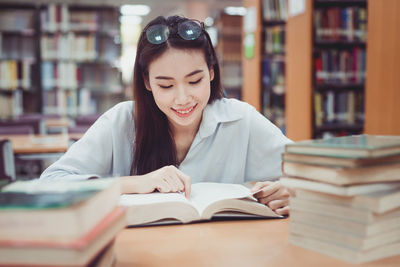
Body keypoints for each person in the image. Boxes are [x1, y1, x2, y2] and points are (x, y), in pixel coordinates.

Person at [40, 16, 292, 215]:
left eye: (194, 81)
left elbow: (318, 171)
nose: (182, 98)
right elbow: (49, 184)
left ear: (212, 72)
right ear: (147, 82)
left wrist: (295, 190)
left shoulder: (240, 119)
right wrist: (135, 184)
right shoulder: (121, 121)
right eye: (166, 86)